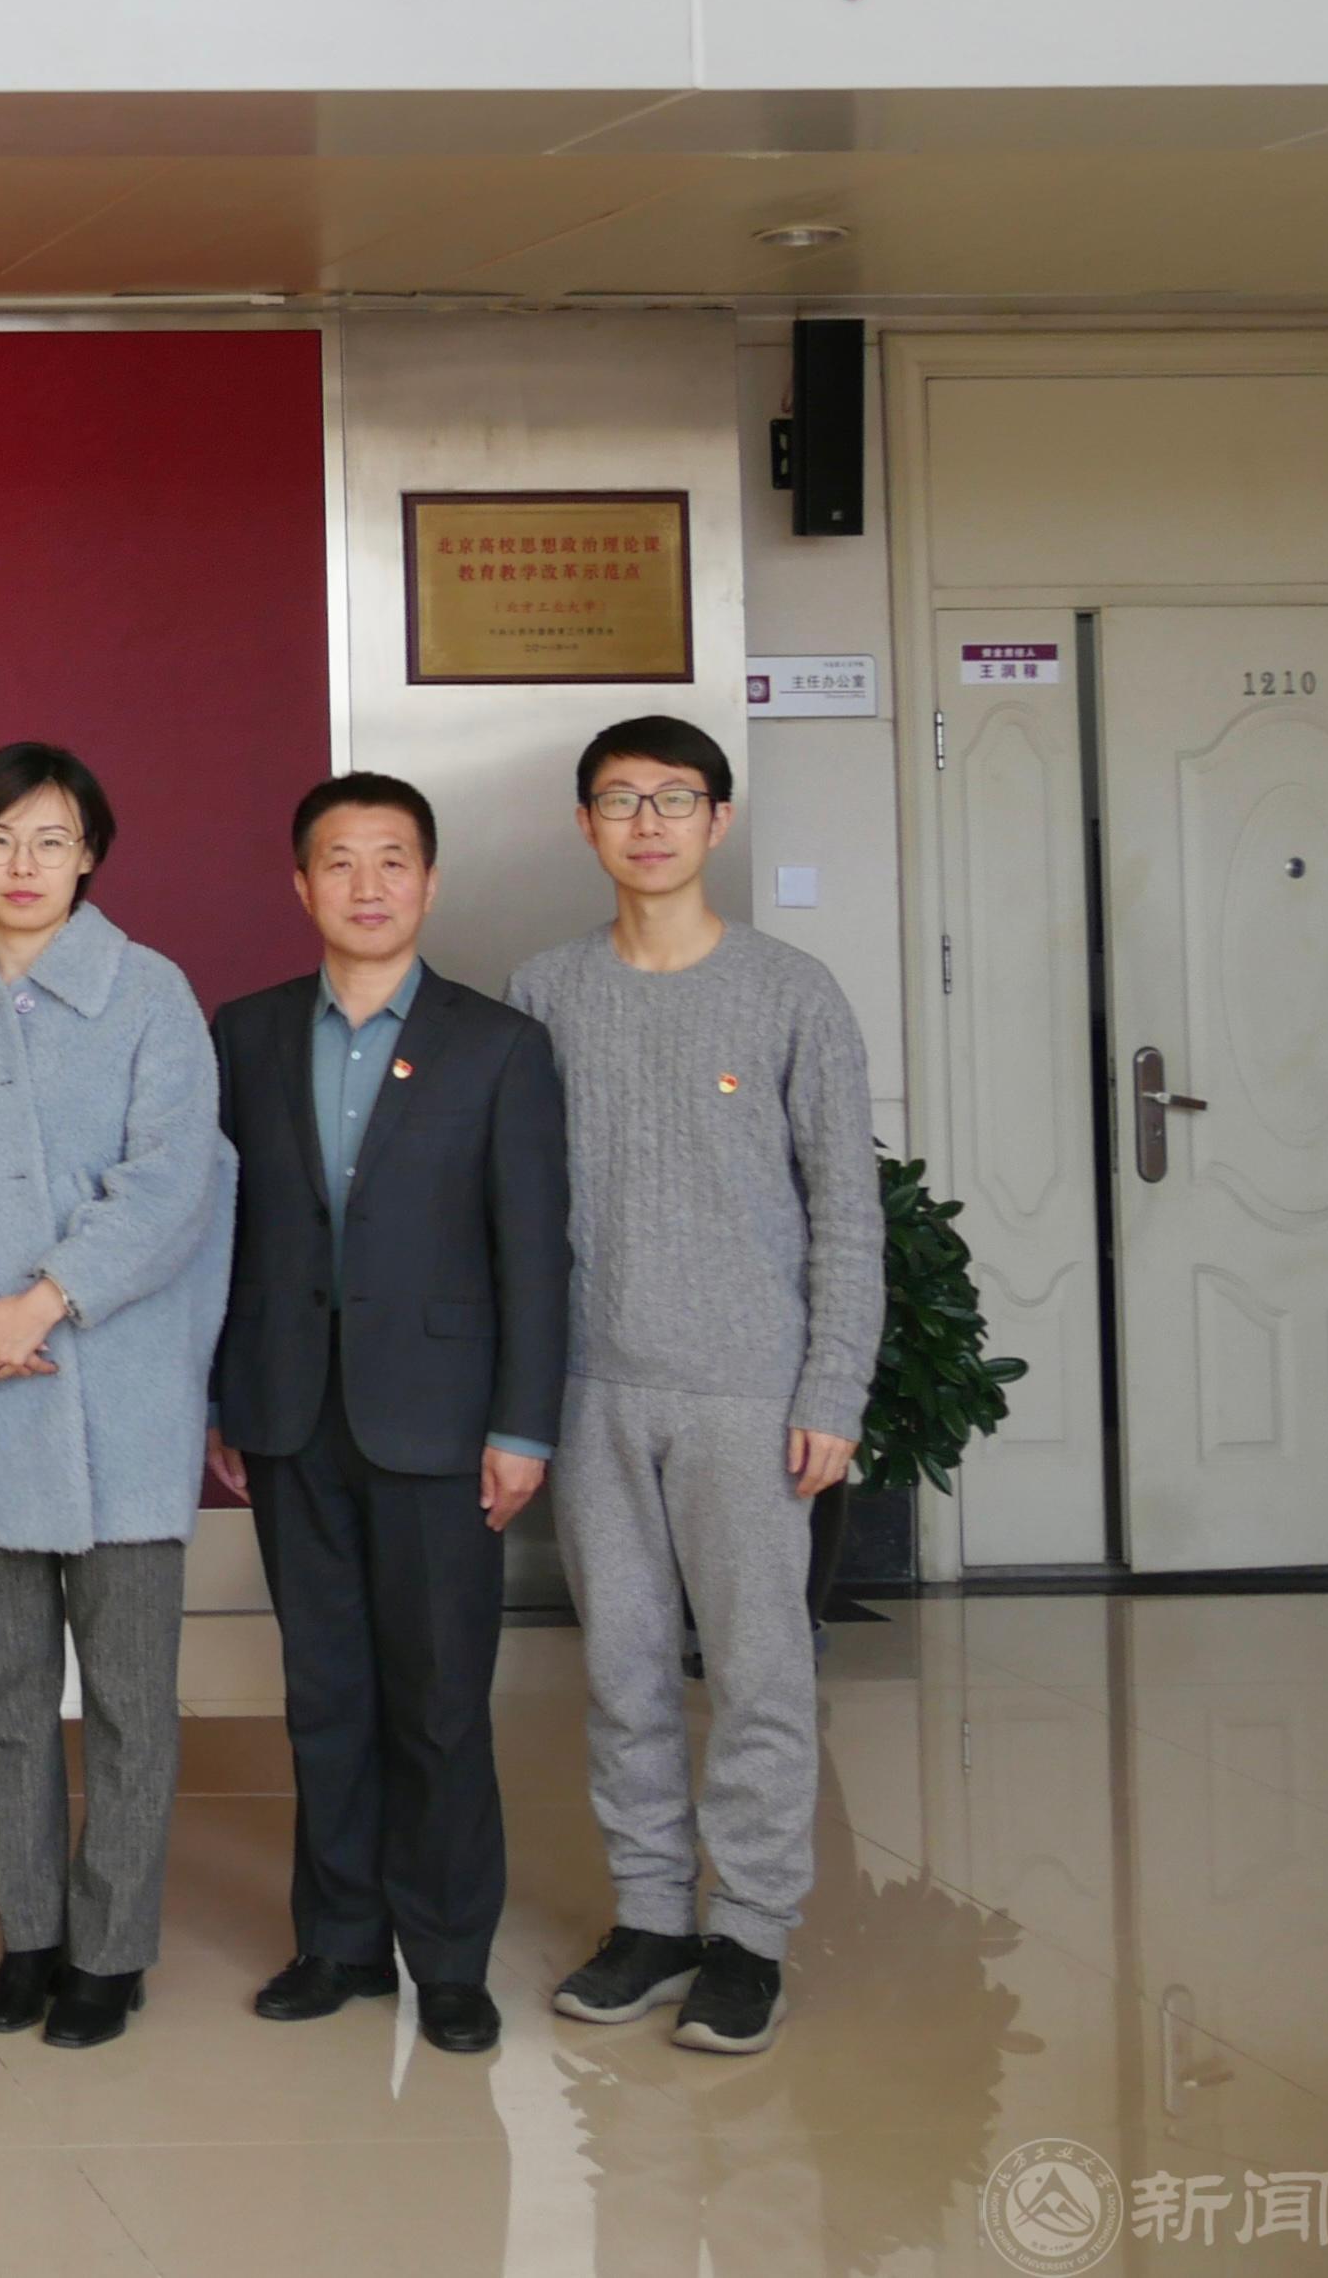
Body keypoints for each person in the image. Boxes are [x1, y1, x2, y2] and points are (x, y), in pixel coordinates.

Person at [515, 715, 879, 2059]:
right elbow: (519, 1205)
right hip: (593, 1388)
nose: (649, 823)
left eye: (675, 799)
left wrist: (831, 1388)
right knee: (620, 1674)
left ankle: (751, 1936)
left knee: (758, 1673)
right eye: (620, 800)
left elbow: (846, 1208)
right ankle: (654, 1917)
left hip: (747, 1394)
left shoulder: (792, 992)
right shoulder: (546, 990)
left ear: (718, 820)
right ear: (585, 825)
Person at [204, 771, 569, 2059]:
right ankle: (339, 1940)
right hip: (289, 1412)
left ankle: (450, 1957)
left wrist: (523, 1426)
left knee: (439, 1701)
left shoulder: (498, 1043)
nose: (367, 886)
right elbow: (225, 1234)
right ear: (300, 884)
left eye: (392, 860)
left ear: (429, 881)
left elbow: (534, 1251)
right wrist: (223, 1395)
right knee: (323, 1693)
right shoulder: (245, 1033)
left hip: (443, 1422)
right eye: (339, 862)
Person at [0, 740, 232, 2053]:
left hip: (120, 1391)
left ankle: (112, 1947)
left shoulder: (150, 993)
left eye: (50, 839)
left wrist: (43, 1300)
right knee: (6, 1698)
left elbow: (172, 1180)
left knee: (133, 1703)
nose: (23, 864)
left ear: (90, 854)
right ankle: (27, 1934)